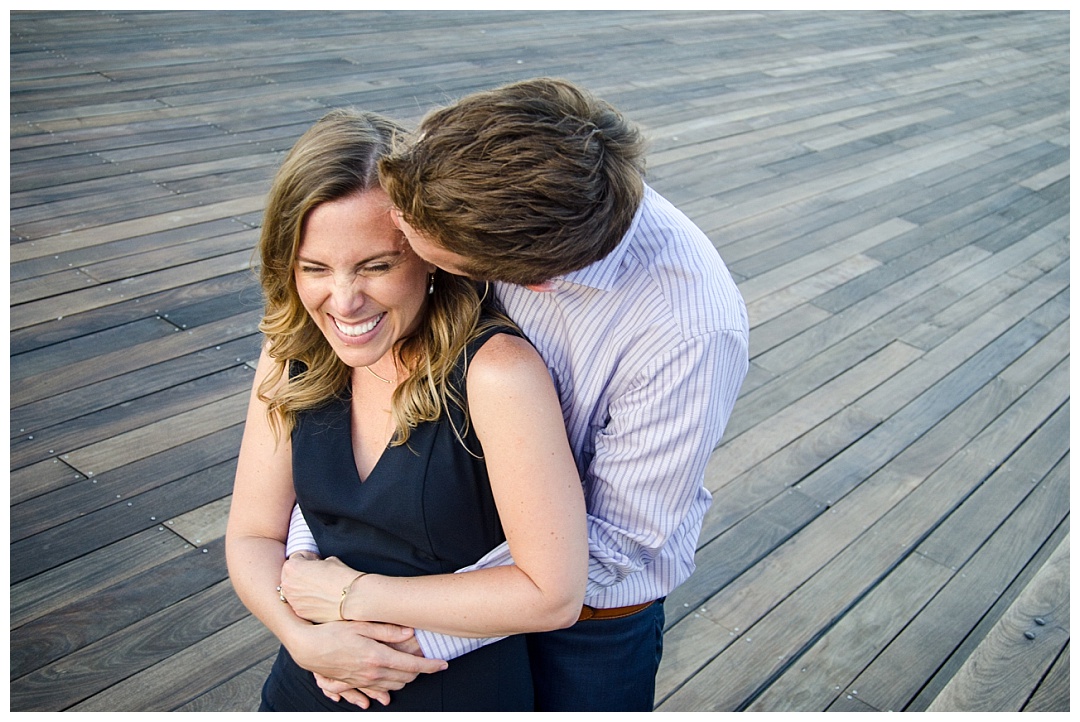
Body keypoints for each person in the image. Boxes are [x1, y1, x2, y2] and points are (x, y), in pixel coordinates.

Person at [291, 77, 751, 711]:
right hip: (442, 555)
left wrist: (372, 620)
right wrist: (313, 562)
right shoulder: (486, 180)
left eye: (420, 257)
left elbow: (613, 543)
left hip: (586, 626)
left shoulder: (688, 332)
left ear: (522, 283)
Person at [224, 108, 587, 712]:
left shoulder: (497, 374)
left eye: (376, 266)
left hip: (455, 682)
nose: (342, 300)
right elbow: (252, 534)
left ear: (428, 254)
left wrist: (353, 597)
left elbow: (551, 594)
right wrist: (305, 642)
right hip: (315, 676)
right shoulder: (292, 352)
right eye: (314, 268)